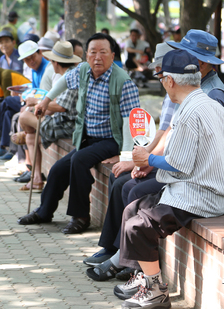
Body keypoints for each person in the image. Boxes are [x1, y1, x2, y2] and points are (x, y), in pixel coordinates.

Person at [113, 49, 224, 308]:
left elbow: (178, 166)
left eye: (161, 79)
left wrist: (147, 159)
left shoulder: (190, 113)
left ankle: (156, 291)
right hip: (202, 188)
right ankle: (145, 278)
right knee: (132, 209)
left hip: (198, 195)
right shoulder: (207, 104)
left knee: (137, 226)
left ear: (170, 80)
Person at [17, 33, 140, 235]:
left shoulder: (123, 82)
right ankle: (44, 211)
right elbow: (64, 81)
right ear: (86, 56)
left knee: (80, 160)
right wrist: (45, 101)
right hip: (87, 137)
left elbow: (129, 123)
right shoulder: (83, 70)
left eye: (103, 52)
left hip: (111, 140)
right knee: (57, 169)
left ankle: (81, 216)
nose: (97, 57)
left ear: (113, 55)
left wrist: (126, 157)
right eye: (93, 52)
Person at [83, 43, 176, 276]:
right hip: (163, 163)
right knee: (119, 181)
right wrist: (143, 159)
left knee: (132, 189)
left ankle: (128, 258)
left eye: (161, 72)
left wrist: (145, 161)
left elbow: (172, 140)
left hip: (179, 173)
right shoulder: (172, 95)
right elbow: (162, 133)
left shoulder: (193, 98)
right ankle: (113, 247)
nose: (159, 76)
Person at [17, 41, 82, 192]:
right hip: (63, 121)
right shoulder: (69, 74)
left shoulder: (70, 77)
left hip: (68, 124)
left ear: (55, 62)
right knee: (31, 137)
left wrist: (36, 102)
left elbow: (61, 107)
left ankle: (36, 178)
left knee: (24, 117)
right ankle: (37, 179)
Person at [168, 29, 224, 126]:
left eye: (184, 57)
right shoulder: (189, 85)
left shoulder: (214, 95)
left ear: (201, 64)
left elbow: (213, 138)